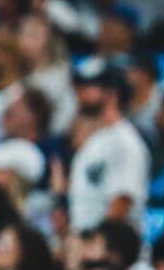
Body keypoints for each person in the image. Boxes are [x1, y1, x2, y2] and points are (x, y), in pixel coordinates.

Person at [67, 64, 150, 232]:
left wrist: (97, 243)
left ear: (112, 95)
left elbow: (122, 201)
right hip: (88, 247)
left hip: (115, 252)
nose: (80, 93)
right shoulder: (96, 140)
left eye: (89, 87)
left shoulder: (124, 142)